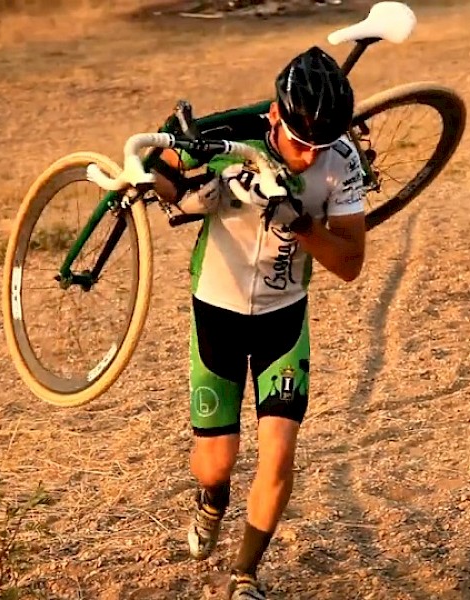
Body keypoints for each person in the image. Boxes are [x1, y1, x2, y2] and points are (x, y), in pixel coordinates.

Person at [151, 45, 366, 599]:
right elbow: (162, 178)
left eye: (320, 146)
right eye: (298, 142)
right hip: (217, 314)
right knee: (215, 465)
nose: (307, 157)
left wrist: (303, 228)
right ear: (275, 114)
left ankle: (245, 575)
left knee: (279, 451)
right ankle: (213, 498)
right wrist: (181, 192)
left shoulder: (342, 161)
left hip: (282, 321)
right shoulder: (233, 143)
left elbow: (350, 264)